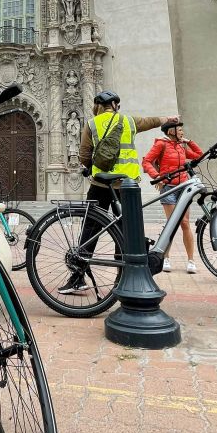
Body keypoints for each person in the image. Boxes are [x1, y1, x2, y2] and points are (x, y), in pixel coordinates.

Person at [58, 90, 176, 294]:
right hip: (127, 187)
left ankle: (78, 277)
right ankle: (123, 278)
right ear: (114, 105)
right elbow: (149, 121)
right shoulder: (129, 121)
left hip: (101, 185)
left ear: (98, 106)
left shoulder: (92, 124)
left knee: (90, 230)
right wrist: (168, 119)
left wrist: (91, 165)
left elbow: (84, 155)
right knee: (126, 232)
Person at [142, 120, 203, 273]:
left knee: (185, 223)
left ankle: (191, 261)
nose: (182, 132)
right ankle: (165, 257)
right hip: (168, 187)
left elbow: (198, 155)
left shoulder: (181, 146)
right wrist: (158, 177)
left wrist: (189, 142)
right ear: (170, 131)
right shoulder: (161, 144)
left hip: (184, 187)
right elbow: (146, 161)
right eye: (180, 130)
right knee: (171, 223)